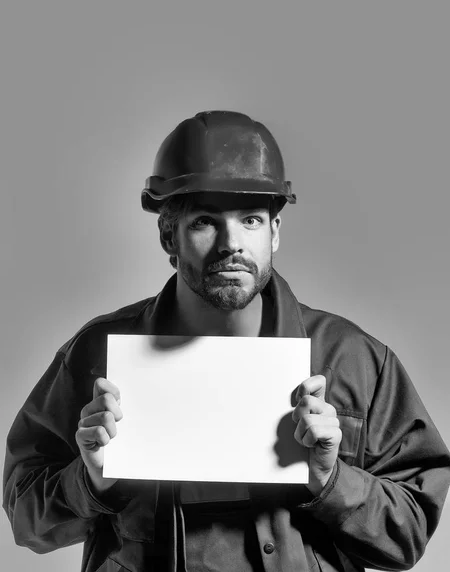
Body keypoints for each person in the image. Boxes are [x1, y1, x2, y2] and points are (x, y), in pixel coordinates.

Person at [3, 110, 450, 572]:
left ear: (275, 233)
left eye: (252, 220)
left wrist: (331, 480)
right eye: (204, 221)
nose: (231, 243)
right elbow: (22, 513)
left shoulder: (354, 360)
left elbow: (411, 529)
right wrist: (90, 480)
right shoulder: (97, 355)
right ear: (167, 235)